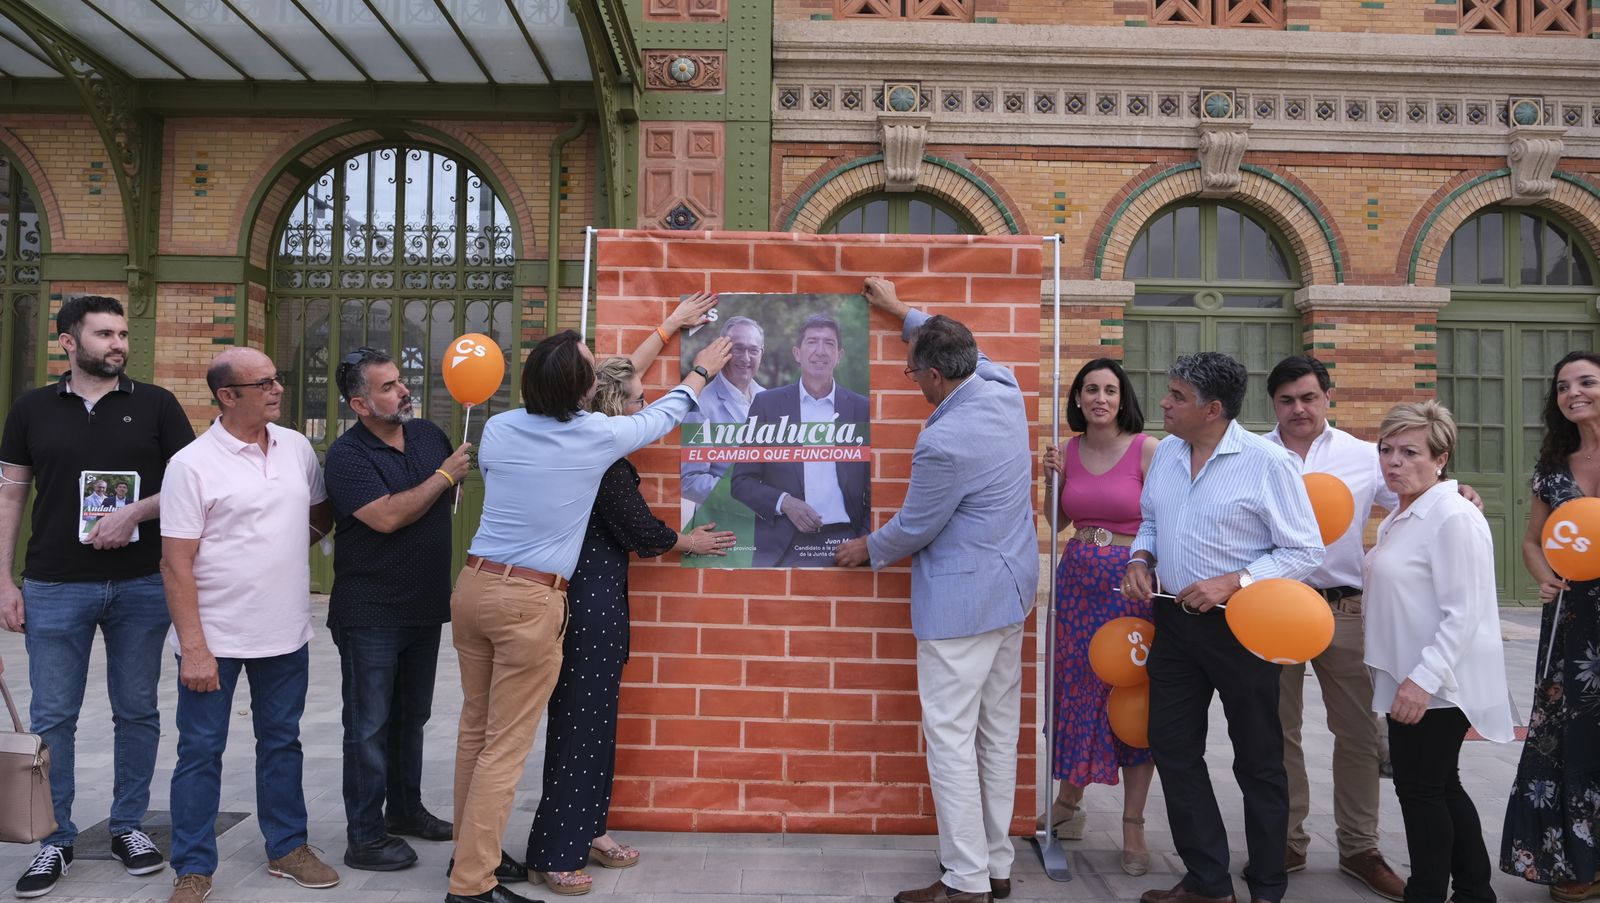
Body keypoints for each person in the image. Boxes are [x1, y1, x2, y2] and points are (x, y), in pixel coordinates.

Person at [448, 328, 732, 903]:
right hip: (527, 599)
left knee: (475, 736)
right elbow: (666, 413)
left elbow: (625, 401)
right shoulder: (593, 440)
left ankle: (471, 854)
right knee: (505, 748)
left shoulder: (498, 429)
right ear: (583, 393)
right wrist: (700, 369)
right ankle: (471, 886)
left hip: (473, 588)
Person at [836, 277, 1036, 903]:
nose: (910, 382)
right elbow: (962, 343)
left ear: (935, 377)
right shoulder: (1002, 387)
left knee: (950, 740)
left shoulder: (942, 441)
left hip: (960, 606)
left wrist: (866, 549)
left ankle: (966, 880)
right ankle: (996, 866)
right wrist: (903, 313)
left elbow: (919, 526)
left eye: (912, 373)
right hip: (1011, 593)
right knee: (998, 734)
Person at [525, 307, 737, 895]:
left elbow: (620, 376)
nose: (644, 405)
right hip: (587, 613)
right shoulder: (606, 466)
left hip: (594, 607)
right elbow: (641, 533)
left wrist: (668, 326)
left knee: (594, 726)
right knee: (581, 729)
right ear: (614, 406)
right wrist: (685, 539)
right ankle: (554, 850)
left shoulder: (586, 437)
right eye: (638, 399)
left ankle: (587, 830)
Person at [0, 295, 194, 898]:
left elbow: (195, 486)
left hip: (141, 583)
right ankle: (55, 838)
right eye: (104, 334)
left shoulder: (157, 406)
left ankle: (129, 826)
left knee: (137, 710)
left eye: (121, 334)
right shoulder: (31, 409)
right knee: (53, 716)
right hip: (54, 584)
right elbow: (10, 497)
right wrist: (3, 579)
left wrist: (134, 510)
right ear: (67, 342)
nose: (118, 344)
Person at [1123, 351, 1323, 903]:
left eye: (1177, 396)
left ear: (1213, 409)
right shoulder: (1165, 454)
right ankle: (1208, 880)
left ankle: (1266, 886)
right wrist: (1140, 559)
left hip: (1245, 628)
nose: (1163, 402)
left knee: (1258, 759)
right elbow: (1151, 521)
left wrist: (1235, 581)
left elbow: (1305, 549)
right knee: (1171, 746)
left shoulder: (1268, 462)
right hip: (1173, 622)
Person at [159, 347, 339, 903]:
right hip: (214, 637)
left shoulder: (297, 446)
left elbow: (320, 513)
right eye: (262, 383)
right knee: (200, 751)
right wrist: (194, 647)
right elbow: (175, 563)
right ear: (227, 396)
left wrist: (280, 552)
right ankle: (192, 867)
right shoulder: (191, 464)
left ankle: (287, 847)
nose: (277, 389)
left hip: (286, 632)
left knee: (282, 742)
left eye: (277, 378)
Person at [1262, 355, 1407, 900]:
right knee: (1278, 731)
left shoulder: (1364, 456)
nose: (1298, 409)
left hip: (1345, 610)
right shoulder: (1254, 454)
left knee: (1360, 735)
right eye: (1286, 400)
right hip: (1273, 609)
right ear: (1272, 404)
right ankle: (1287, 840)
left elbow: (1409, 500)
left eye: (1308, 397)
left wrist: (1455, 492)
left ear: (1327, 397)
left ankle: (1360, 847)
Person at [323, 347, 472, 872]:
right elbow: (386, 517)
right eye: (388, 387)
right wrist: (444, 477)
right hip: (370, 611)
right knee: (367, 727)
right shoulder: (347, 456)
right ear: (360, 404)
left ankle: (405, 811)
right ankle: (364, 837)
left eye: (401, 380)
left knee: (412, 719)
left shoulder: (429, 435)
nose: (404, 390)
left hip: (424, 604)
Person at [1363, 400, 1513, 903]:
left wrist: (1422, 679)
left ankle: (1425, 892)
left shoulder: (1452, 516)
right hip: (1412, 675)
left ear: (1441, 457)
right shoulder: (1404, 514)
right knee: (1439, 785)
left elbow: (1464, 611)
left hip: (1437, 683)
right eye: (1387, 450)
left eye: (1410, 452)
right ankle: (1474, 890)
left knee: (1421, 790)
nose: (1395, 461)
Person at [1039, 359, 1157, 876]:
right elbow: (1059, 520)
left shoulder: (1147, 449)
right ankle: (1069, 804)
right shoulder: (1067, 449)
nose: (1100, 398)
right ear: (1079, 398)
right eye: (1091, 389)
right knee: (1078, 691)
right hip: (1078, 582)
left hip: (1130, 585)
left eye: (1110, 389)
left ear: (1122, 396)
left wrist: (1145, 565)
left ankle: (1133, 823)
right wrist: (1050, 481)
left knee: (1128, 695)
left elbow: (1162, 519)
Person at [1502, 350, 1600, 902]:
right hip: (1571, 621)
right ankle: (1577, 862)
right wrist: (1544, 579)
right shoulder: (1554, 465)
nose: (1573, 393)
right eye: (1564, 386)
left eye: (1586, 382)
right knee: (1569, 738)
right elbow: (1532, 541)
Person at [730, 313, 870, 566]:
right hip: (780, 547)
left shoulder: (862, 409)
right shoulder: (766, 405)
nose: (820, 351)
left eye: (829, 343)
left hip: (845, 545)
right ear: (797, 353)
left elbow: (874, 484)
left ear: (839, 355)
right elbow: (741, 481)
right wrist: (784, 502)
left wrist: (865, 538)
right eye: (812, 342)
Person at [680, 314, 767, 504]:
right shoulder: (699, 405)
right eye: (737, 349)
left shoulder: (771, 399)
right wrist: (751, 496)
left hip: (772, 522)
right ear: (723, 350)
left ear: (762, 353)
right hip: (727, 521)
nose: (746, 358)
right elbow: (690, 480)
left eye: (753, 350)